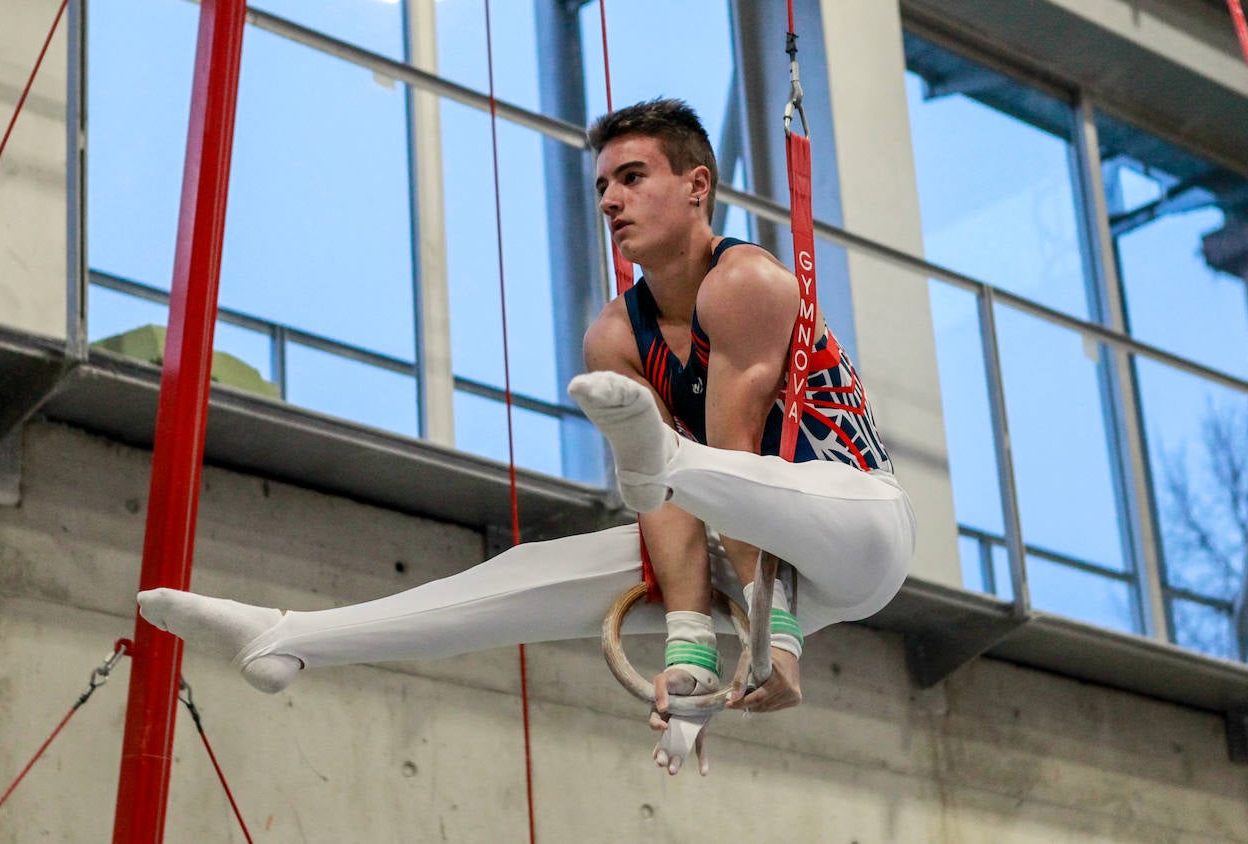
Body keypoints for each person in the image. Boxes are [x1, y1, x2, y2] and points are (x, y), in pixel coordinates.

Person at [138, 99, 914, 777]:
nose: (611, 199)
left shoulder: (746, 283)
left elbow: (743, 463)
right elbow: (675, 516)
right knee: (538, 573)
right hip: (755, 554)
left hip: (853, 524)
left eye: (633, 177)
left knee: (705, 473)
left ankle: (664, 458)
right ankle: (290, 638)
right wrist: (688, 656)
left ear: (697, 186)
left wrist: (773, 638)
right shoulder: (615, 337)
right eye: (602, 185)